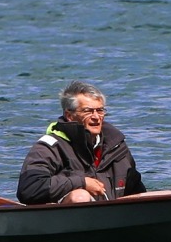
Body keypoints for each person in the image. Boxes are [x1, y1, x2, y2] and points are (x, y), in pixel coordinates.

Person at [17, 81, 146, 204]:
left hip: (115, 217)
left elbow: (138, 193)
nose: (96, 117)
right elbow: (29, 189)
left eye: (100, 111)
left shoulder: (117, 147)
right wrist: (82, 182)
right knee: (80, 197)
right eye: (88, 111)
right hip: (68, 221)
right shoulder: (48, 148)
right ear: (69, 115)